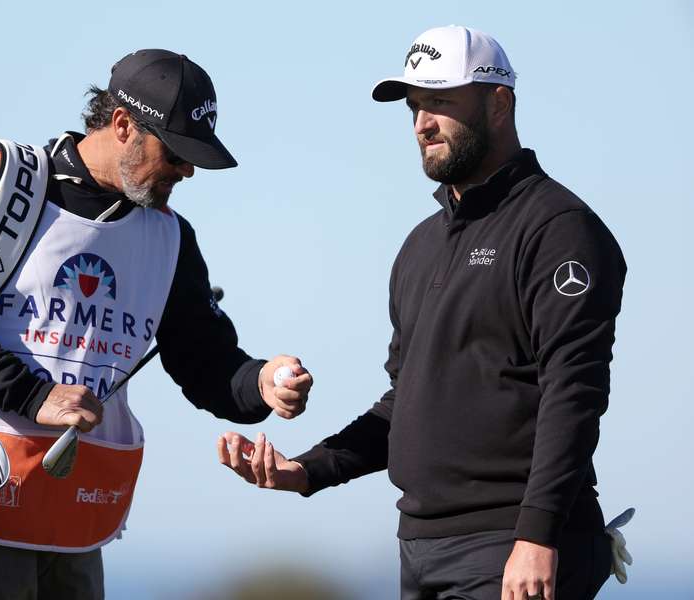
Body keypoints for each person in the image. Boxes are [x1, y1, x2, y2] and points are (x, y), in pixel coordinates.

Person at [218, 26, 625, 600]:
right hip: (421, 551)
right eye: (414, 107)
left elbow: (574, 392)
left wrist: (537, 536)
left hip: (514, 548)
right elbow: (405, 401)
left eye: (439, 102)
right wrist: (309, 470)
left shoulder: (559, 229)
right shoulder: (419, 246)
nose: (421, 123)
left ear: (499, 104)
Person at [0, 49, 313, 599]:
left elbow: (204, 360)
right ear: (122, 126)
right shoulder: (1, 182)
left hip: (76, 514)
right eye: (176, 154)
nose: (186, 172)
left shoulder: (170, 238)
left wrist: (259, 382)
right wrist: (32, 394)